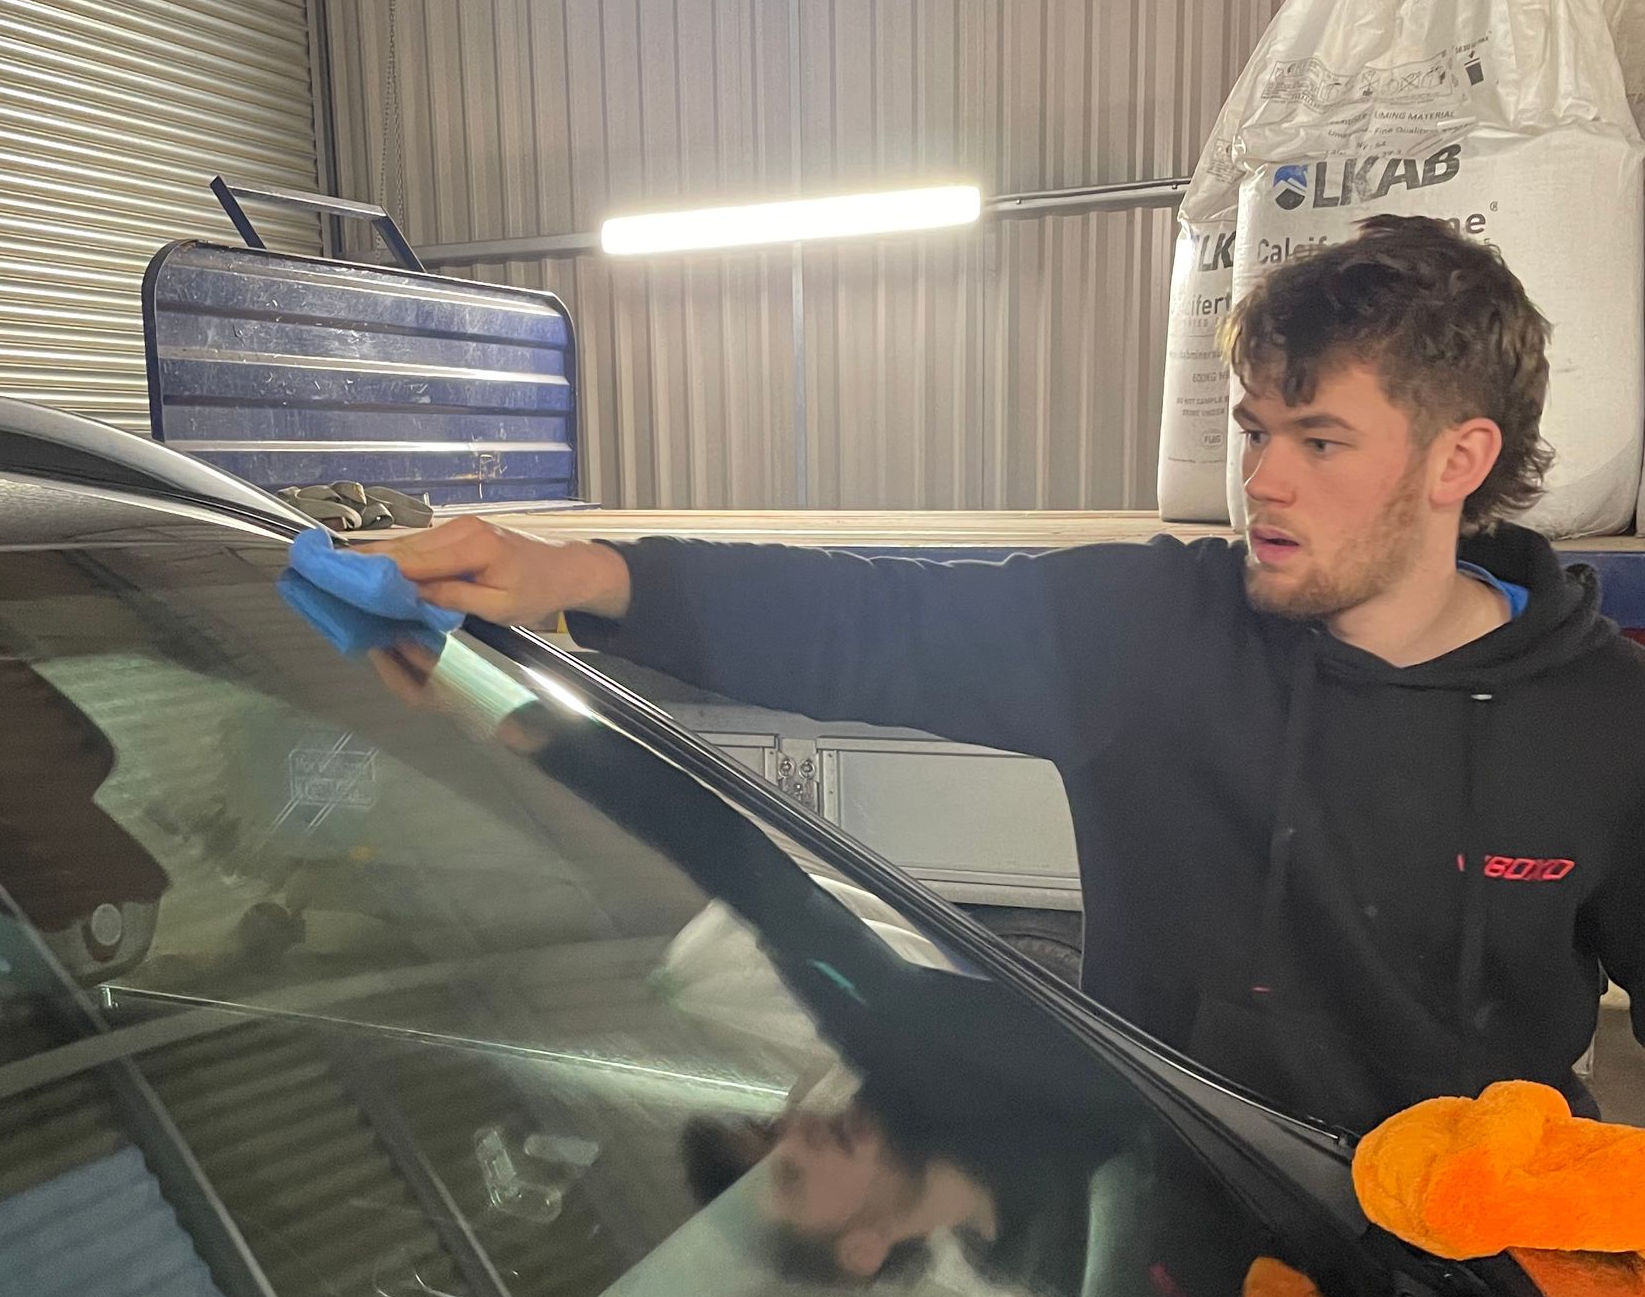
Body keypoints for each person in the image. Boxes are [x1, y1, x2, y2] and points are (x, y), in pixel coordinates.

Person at [393, 214, 1645, 1133]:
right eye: (1256, 431)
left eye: (1321, 441)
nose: (1262, 479)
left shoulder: (1606, 724)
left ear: (1456, 460)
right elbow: (866, 617)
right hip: (1195, 1234)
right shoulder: (1152, 634)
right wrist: (586, 577)